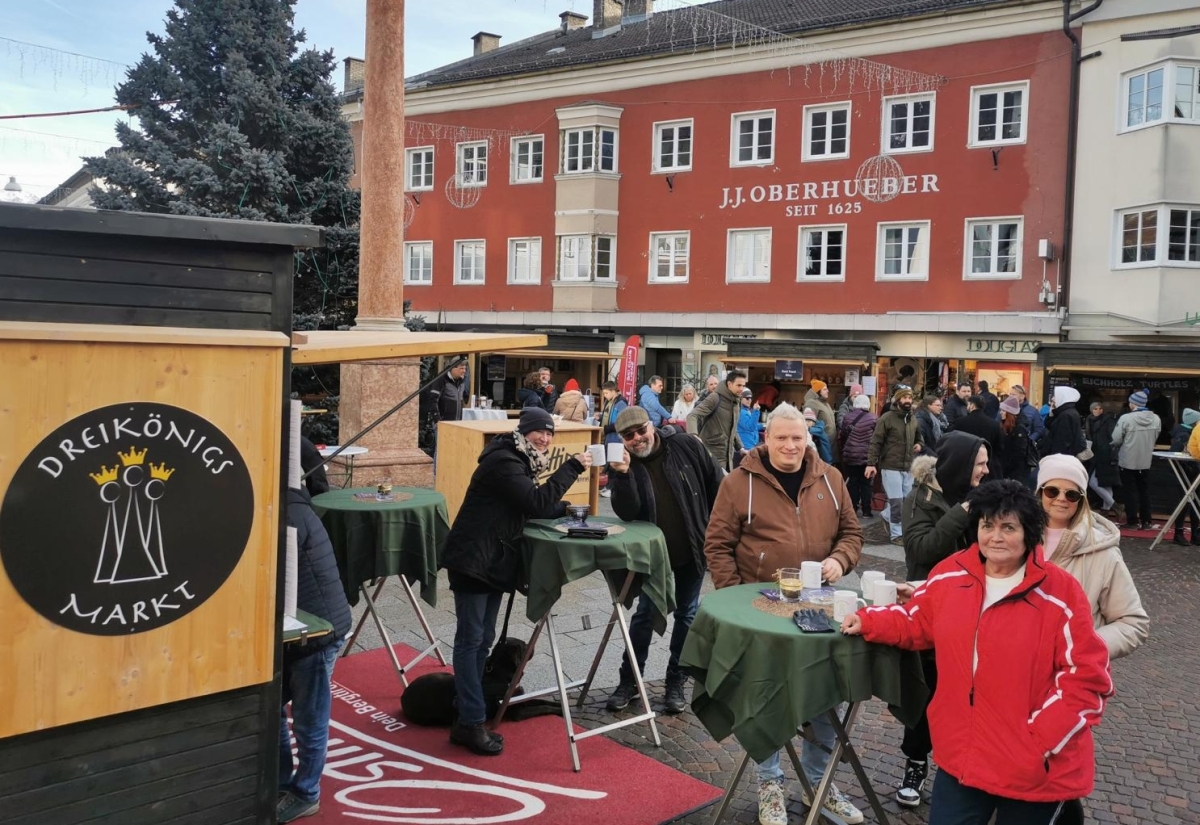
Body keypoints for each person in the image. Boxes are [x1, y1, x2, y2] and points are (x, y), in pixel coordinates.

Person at [842, 480, 1113, 825]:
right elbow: (918, 620)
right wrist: (867, 622)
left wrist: (1040, 740)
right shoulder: (952, 574)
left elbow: (1088, 679)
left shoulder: (1061, 594)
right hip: (962, 758)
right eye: (987, 525)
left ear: (1029, 532)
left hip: (1033, 770)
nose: (995, 536)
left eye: (1008, 527)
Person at [705, 403, 865, 825]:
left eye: (797, 438)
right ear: (766, 438)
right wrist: (735, 601)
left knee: (825, 692)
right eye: (782, 438)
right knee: (765, 695)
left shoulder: (831, 479)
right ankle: (770, 781)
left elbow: (852, 532)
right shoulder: (738, 483)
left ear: (807, 438)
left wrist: (841, 560)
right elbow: (717, 545)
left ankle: (820, 783)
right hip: (761, 611)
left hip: (818, 607)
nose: (790, 446)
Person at [440, 408, 592, 755]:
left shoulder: (519, 459)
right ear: (524, 431)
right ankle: (469, 722)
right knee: (472, 640)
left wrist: (564, 508)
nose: (546, 439)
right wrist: (573, 466)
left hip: (490, 560)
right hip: (474, 559)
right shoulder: (505, 461)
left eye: (550, 434)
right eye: (540, 432)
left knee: (482, 639)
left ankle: (469, 707)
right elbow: (535, 500)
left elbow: (529, 505)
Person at [604, 406, 724, 714]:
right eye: (628, 436)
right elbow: (627, 512)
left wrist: (712, 529)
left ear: (652, 425)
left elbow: (716, 484)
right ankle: (629, 682)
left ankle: (675, 682)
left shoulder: (685, 445)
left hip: (692, 550)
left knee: (687, 616)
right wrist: (623, 474)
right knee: (644, 615)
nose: (637, 438)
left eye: (641, 430)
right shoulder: (623, 464)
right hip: (652, 559)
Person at [893, 431, 990, 809]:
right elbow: (921, 549)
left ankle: (967, 768)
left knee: (973, 695)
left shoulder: (986, 496)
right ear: (960, 465)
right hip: (932, 608)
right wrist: (963, 510)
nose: (986, 470)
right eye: (979, 463)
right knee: (927, 692)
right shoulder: (923, 496)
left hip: (978, 612)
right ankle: (915, 764)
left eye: (985, 463)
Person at [278, 460, 353, 823]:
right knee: (273, 708)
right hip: (299, 630)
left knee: (308, 718)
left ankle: (306, 791)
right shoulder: (287, 503)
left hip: (317, 632)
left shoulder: (287, 514)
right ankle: (277, 782)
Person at [1037, 454, 1149, 657]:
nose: (1061, 499)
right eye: (1052, 491)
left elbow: (1132, 622)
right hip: (1016, 673)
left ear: (1081, 500)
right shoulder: (1015, 541)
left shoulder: (1103, 551)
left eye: (1071, 494)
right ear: (1040, 493)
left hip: (1073, 676)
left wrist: (1084, 648)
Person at [866, 386, 925, 545]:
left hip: (908, 466)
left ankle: (887, 515)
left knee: (906, 501)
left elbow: (919, 437)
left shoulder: (913, 418)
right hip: (890, 465)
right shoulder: (886, 418)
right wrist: (871, 463)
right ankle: (896, 534)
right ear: (897, 400)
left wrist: (919, 444)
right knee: (897, 501)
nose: (908, 401)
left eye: (910, 398)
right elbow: (875, 441)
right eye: (905, 398)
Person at [1111, 389, 1161, 531]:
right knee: (1144, 490)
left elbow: (1115, 439)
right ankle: (1147, 521)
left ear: (1134, 404)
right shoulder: (1156, 419)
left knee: (1130, 491)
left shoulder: (1126, 419)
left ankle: (1132, 521)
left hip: (1127, 460)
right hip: (1146, 461)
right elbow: (1155, 437)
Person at [688, 370, 746, 471]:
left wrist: (740, 448)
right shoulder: (715, 397)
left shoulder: (737, 402)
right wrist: (693, 436)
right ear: (729, 384)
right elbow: (692, 415)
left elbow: (732, 428)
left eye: (743, 385)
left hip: (728, 457)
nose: (741, 389)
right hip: (711, 455)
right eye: (739, 385)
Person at [948, 395, 1004, 480]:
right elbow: (999, 447)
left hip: (966, 465)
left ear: (972, 405)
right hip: (987, 466)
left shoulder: (960, 422)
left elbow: (953, 443)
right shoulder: (994, 424)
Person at [839, 393, 877, 518]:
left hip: (850, 456)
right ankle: (866, 510)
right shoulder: (873, 418)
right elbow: (877, 437)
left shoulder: (848, 417)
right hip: (866, 457)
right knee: (866, 484)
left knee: (853, 482)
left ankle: (853, 508)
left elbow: (843, 433)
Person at [1167, 408, 1200, 544]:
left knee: (1195, 502)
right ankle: (1179, 532)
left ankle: (1195, 533)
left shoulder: (1187, 432)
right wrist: (1188, 464)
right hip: (1186, 472)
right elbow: (1174, 454)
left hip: (1193, 471)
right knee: (1185, 502)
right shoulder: (1183, 434)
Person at [1085, 402, 1119, 517]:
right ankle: (1106, 509)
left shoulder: (1108, 422)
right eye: (1095, 408)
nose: (1098, 411)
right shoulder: (1089, 421)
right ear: (1091, 410)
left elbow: (1113, 439)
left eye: (1100, 408)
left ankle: (1114, 505)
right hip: (1096, 456)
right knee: (1106, 484)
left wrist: (1113, 455)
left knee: (1094, 483)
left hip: (1106, 456)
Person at [998, 395, 1038, 487]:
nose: (1001, 413)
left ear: (1009, 413)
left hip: (1016, 473)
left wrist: (1006, 465)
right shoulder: (1006, 426)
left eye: (1003, 411)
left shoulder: (1019, 429)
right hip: (1008, 470)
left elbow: (1019, 453)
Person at [1042, 386, 1086, 459]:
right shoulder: (1063, 412)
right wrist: (1051, 413)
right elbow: (1049, 426)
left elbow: (1062, 441)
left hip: (1060, 457)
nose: (1052, 399)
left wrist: (1056, 458)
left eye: (1055, 396)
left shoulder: (1066, 415)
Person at [804, 379, 838, 460]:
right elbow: (809, 425)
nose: (828, 391)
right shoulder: (811, 404)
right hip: (820, 445)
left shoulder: (824, 403)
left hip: (829, 443)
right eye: (825, 389)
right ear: (818, 391)